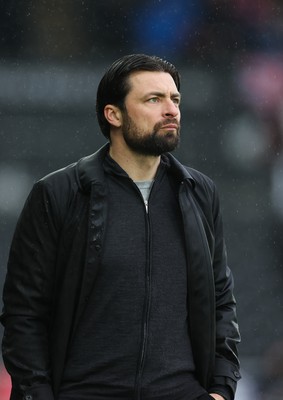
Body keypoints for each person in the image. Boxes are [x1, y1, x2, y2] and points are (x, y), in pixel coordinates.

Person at [0, 54, 241, 400]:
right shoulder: (58, 194)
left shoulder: (199, 192)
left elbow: (221, 301)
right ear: (113, 114)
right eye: (153, 99)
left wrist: (221, 389)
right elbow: (24, 313)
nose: (171, 110)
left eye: (175, 100)